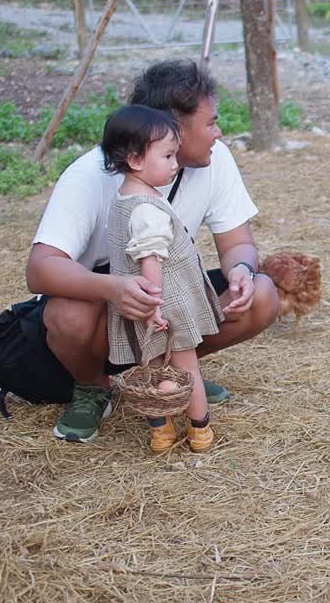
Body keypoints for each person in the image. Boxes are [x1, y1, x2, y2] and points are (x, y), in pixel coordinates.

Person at [26, 59, 278, 443]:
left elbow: (238, 243)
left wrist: (241, 268)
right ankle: (94, 386)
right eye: (210, 123)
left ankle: (177, 376)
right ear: (171, 132)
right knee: (68, 312)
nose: (219, 133)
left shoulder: (216, 160)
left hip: (166, 297)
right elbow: (40, 270)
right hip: (102, 308)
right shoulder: (90, 174)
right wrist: (115, 289)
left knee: (260, 295)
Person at [102, 105, 223, 453]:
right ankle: (200, 430)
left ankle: (162, 431)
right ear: (136, 159)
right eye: (168, 155)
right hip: (164, 305)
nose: (175, 163)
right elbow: (150, 259)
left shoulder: (124, 198)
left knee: (152, 369)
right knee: (186, 369)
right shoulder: (146, 209)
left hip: (138, 305)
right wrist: (154, 305)